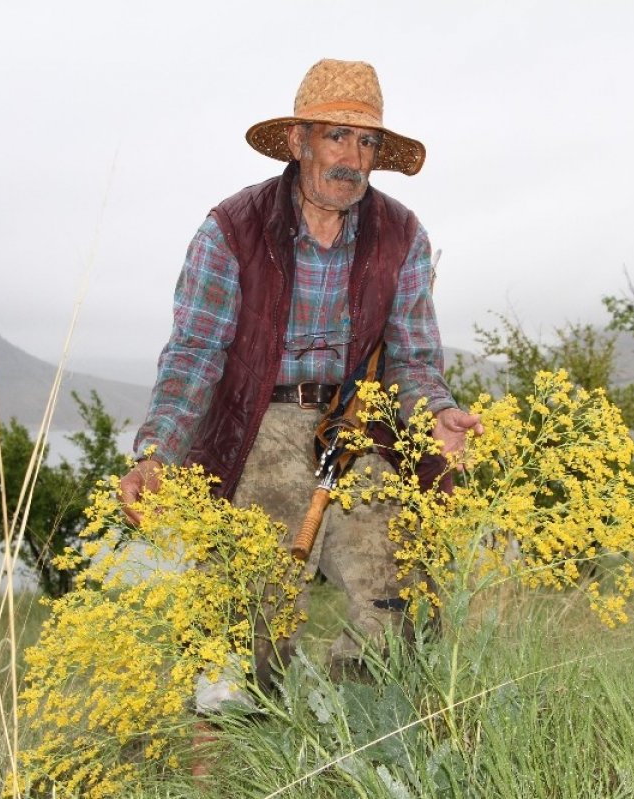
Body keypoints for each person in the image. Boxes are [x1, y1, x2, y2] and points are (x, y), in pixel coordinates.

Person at [118, 58, 482, 690]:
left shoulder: (402, 234)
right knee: (248, 612)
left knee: (398, 592)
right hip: (257, 422)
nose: (353, 157)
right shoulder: (231, 229)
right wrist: (159, 451)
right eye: (336, 136)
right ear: (297, 142)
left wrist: (435, 413)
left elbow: (413, 359)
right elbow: (195, 352)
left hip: (357, 426)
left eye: (366, 142)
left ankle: (351, 736)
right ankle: (239, 748)